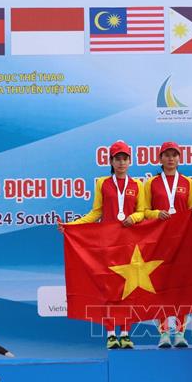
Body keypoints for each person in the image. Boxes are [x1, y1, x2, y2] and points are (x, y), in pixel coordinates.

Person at [60, 140, 146, 349]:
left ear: (130, 161)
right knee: (108, 288)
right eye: (118, 159)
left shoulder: (137, 185)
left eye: (125, 159)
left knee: (128, 288)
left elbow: (142, 211)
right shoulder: (102, 183)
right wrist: (72, 226)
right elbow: (96, 213)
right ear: (111, 162)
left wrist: (134, 218)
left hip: (129, 244)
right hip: (107, 243)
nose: (122, 163)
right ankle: (110, 333)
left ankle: (125, 333)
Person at [144, 141, 192, 348]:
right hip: (159, 239)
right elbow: (144, 211)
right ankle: (163, 333)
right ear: (160, 158)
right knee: (160, 285)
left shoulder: (188, 182)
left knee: (182, 285)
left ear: (179, 158)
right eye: (167, 155)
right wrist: (156, 214)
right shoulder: (151, 183)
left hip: (182, 240)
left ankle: (179, 332)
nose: (171, 159)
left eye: (174, 155)